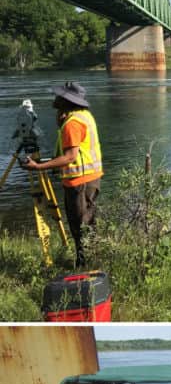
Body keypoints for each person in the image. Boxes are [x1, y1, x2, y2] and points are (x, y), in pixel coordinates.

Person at [20, 81, 103, 268]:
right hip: (91, 177)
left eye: (58, 96)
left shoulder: (72, 124)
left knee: (80, 226)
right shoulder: (84, 116)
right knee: (88, 224)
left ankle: (85, 267)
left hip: (79, 182)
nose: (55, 98)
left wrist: (38, 167)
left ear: (66, 101)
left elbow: (70, 157)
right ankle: (92, 261)